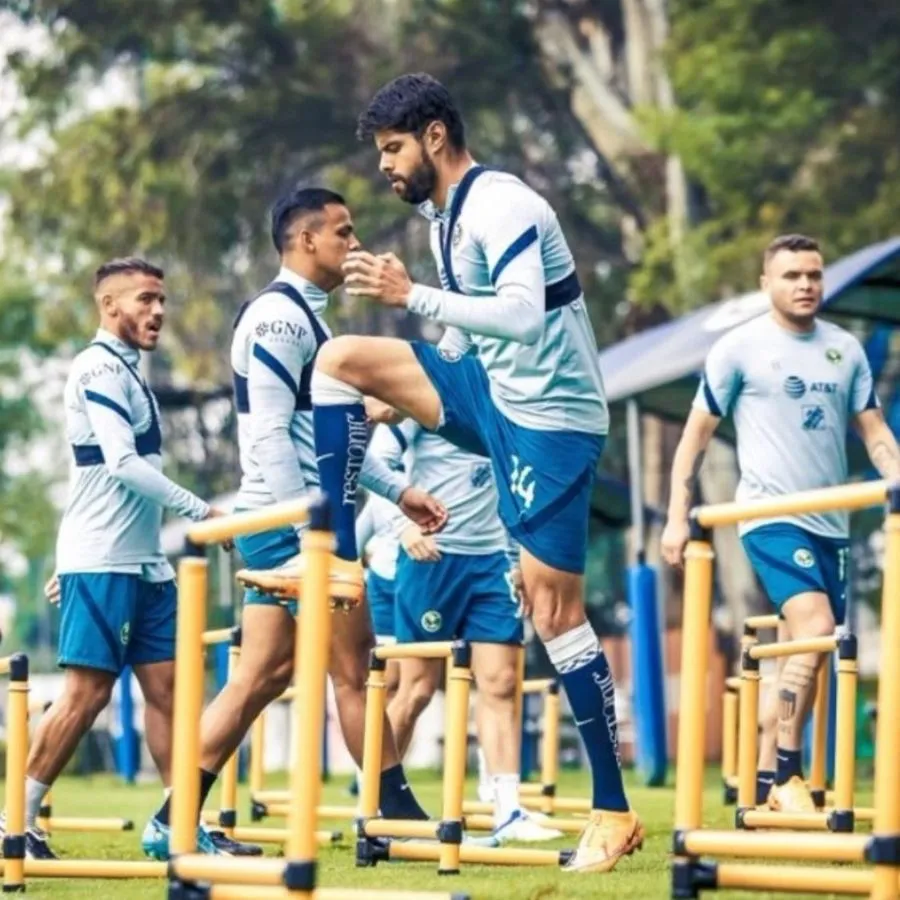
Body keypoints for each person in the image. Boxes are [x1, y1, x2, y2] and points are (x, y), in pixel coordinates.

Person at [247, 73, 643, 872]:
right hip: (490, 396)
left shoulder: (502, 205)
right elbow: (466, 346)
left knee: (552, 607)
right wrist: (407, 402)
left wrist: (412, 294)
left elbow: (525, 320)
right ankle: (336, 542)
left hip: (552, 422)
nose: (386, 166)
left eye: (393, 149)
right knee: (342, 360)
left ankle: (612, 809)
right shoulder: (444, 222)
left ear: (433, 135)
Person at [142, 188, 443, 859]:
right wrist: (310, 533)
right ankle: (392, 817)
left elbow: (326, 445)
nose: (354, 245)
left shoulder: (314, 323)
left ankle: (173, 818)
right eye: (343, 232)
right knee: (352, 667)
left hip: (296, 517)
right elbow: (273, 438)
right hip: (290, 522)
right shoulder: (280, 320)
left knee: (263, 675)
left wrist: (397, 491)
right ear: (305, 241)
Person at [661, 233, 900, 812]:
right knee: (816, 625)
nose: (805, 285)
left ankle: (764, 782)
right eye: (792, 275)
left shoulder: (845, 349)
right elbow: (694, 437)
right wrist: (676, 517)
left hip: (832, 527)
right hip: (767, 517)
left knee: (808, 654)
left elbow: (872, 431)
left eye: (814, 275)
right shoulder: (740, 349)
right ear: (766, 283)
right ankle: (789, 777)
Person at [0, 258, 223, 859]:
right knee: (86, 693)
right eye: (145, 299)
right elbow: (122, 465)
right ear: (109, 306)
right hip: (101, 560)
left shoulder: (132, 372)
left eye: (161, 300)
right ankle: (13, 825)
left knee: (172, 690)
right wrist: (204, 513)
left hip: (144, 564)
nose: (157, 311)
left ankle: (180, 823)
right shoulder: (96, 366)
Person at [371, 417, 564, 844]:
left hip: (493, 562)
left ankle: (508, 809)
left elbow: (514, 485)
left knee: (501, 682)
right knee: (416, 689)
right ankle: (374, 803)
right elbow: (373, 462)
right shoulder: (425, 393)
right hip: (431, 560)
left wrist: (517, 559)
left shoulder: (506, 400)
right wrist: (401, 526)